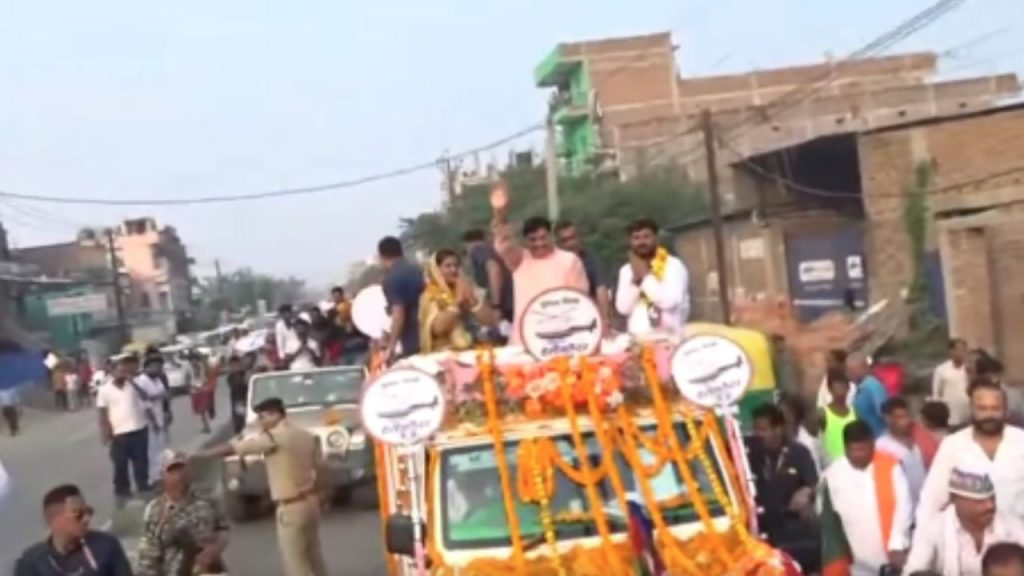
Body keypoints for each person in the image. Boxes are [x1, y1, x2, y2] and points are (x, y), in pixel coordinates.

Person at [192, 397, 327, 576]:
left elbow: (236, 448)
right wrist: (321, 495)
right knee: (314, 555)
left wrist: (204, 454)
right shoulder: (305, 435)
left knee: (295, 561)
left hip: (290, 506)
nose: (260, 422)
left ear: (275, 415)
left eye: (262, 417)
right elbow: (321, 468)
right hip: (310, 500)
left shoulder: (274, 437)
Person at [489, 181, 589, 344]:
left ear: (551, 236)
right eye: (533, 240)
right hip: (525, 340)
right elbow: (504, 240)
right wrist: (499, 213)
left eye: (543, 238)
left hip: (564, 339)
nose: (539, 243)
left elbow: (580, 301)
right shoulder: (519, 260)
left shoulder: (569, 260)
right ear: (525, 241)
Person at [916, 378, 1024, 527]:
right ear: (972, 410)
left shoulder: (1021, 441)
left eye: (995, 408)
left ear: (1005, 411)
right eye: (982, 408)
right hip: (968, 537)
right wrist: (923, 536)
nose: (989, 415)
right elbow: (931, 499)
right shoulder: (953, 445)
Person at [820, 420, 913, 576]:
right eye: (855, 450)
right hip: (857, 564)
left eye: (864, 449)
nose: (860, 455)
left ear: (873, 444)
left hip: (892, 559)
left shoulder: (891, 467)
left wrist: (897, 543)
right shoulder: (832, 476)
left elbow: (904, 507)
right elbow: (830, 523)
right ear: (846, 448)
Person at [905, 464, 1024, 576]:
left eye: (992, 498)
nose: (990, 506)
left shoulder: (1014, 527)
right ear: (954, 499)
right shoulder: (934, 528)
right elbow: (914, 570)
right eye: (980, 501)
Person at [747, 404, 819, 572]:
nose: (758, 435)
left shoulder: (798, 452)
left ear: (778, 429)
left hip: (792, 532)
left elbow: (815, 483)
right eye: (755, 429)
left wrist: (808, 492)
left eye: (763, 430)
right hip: (761, 534)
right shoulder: (749, 453)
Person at [136, 450, 229, 576]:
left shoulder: (207, 499)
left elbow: (223, 529)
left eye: (181, 469)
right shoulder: (155, 510)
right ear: (162, 476)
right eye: (172, 471)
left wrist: (213, 549)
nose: (178, 476)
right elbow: (148, 554)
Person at [14, 484, 133, 576]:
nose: (86, 518)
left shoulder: (107, 546)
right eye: (78, 513)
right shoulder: (32, 563)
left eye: (88, 512)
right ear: (55, 519)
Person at [614, 218, 690, 336]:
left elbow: (670, 301)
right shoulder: (626, 270)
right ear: (630, 242)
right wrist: (636, 282)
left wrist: (644, 276)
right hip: (637, 339)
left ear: (656, 238)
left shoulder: (673, 265)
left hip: (669, 338)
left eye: (646, 237)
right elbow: (623, 309)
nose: (641, 242)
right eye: (636, 238)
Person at [97, 355, 154, 503]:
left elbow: (145, 397)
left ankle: (143, 486)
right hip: (119, 433)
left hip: (139, 429)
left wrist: (132, 382)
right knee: (120, 464)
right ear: (112, 372)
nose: (122, 373)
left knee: (141, 461)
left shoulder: (133, 386)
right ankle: (122, 490)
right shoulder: (104, 390)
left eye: (124, 371)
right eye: (118, 371)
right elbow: (103, 414)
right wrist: (105, 434)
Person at [419, 249, 495, 353]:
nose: (453, 270)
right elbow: (437, 329)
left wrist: (472, 300)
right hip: (445, 353)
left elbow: (491, 322)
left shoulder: (469, 288)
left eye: (456, 266)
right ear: (437, 270)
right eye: (448, 266)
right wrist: (458, 301)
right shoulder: (429, 295)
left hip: (475, 348)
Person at [876, 396, 936, 507]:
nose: (906, 421)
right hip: (901, 509)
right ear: (889, 419)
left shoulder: (916, 441)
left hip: (922, 506)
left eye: (907, 416)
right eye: (900, 417)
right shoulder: (882, 446)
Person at [555, 221, 612, 334]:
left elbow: (601, 289)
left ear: (579, 238)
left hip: (586, 315)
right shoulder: (553, 263)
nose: (570, 244)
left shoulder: (591, 259)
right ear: (558, 244)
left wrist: (605, 321)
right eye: (565, 240)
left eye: (573, 238)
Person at [378, 235, 426, 360]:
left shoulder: (392, 278)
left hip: (413, 340)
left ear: (382, 256)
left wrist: (391, 347)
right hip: (430, 333)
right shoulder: (418, 270)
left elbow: (399, 314)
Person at [462, 228, 514, 337]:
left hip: (505, 305)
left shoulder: (478, 250)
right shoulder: (493, 250)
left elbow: (494, 269)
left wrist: (496, 305)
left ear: (468, 244)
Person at [136, 357, 170, 483]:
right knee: (152, 450)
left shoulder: (157, 379)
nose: (158, 369)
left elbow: (164, 394)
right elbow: (145, 403)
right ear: (147, 367)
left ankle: (161, 474)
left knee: (161, 448)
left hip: (159, 416)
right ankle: (153, 478)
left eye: (160, 367)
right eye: (155, 366)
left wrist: (167, 412)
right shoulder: (142, 381)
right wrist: (154, 421)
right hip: (150, 420)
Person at [818, 367, 857, 467]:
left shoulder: (855, 412)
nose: (840, 391)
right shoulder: (822, 413)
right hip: (831, 465)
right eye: (837, 388)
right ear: (830, 390)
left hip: (851, 463)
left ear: (848, 388)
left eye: (843, 387)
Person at [933, 338, 971, 428]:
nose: (961, 353)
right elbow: (936, 393)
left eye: (964, 350)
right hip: (950, 416)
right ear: (951, 351)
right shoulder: (941, 369)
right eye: (958, 350)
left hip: (968, 415)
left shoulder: (970, 369)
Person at [848, 354, 888, 438]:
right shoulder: (860, 388)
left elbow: (884, 413)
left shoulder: (872, 386)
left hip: (879, 437)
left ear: (865, 368)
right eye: (848, 370)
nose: (849, 374)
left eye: (852, 370)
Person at [779, 394, 821, 473]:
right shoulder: (781, 441)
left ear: (797, 417)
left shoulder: (807, 444)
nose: (783, 418)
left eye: (787, 414)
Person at [225, 355, 250, 434]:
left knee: (244, 420)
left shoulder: (245, 374)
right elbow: (236, 385)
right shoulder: (231, 377)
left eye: (235, 365)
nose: (233, 367)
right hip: (238, 402)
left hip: (246, 400)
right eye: (231, 365)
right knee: (240, 421)